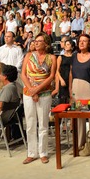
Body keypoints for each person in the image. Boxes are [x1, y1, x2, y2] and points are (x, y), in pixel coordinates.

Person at [21, 33, 57, 164]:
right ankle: (31, 152)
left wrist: (37, 89)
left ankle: (43, 152)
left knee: (43, 124)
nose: (36, 43)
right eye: (35, 41)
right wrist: (31, 89)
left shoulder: (51, 58)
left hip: (44, 93)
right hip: (28, 92)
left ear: (46, 44)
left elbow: (51, 76)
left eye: (39, 41)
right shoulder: (29, 56)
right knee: (30, 123)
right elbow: (23, 74)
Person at [53, 38, 74, 104]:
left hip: (71, 79)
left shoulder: (74, 57)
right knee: (62, 98)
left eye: (68, 44)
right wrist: (61, 79)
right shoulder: (60, 57)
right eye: (66, 44)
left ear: (72, 47)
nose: (66, 46)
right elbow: (57, 70)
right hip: (63, 78)